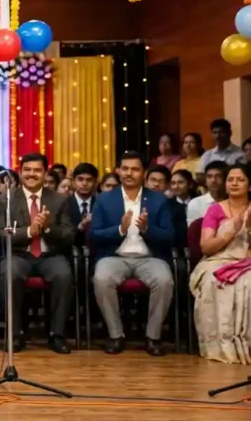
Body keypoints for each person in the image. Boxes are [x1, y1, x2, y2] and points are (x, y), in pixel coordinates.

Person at [90, 152, 175, 356]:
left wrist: (147, 229)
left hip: (149, 257)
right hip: (114, 257)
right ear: (118, 171)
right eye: (125, 168)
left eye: (135, 169)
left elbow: (170, 236)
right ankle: (116, 335)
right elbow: (94, 234)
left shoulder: (158, 200)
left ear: (143, 173)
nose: (129, 173)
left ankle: (153, 337)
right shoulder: (104, 199)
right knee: (101, 278)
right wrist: (120, 229)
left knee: (164, 280)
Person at [0, 153, 75, 354]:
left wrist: (46, 228)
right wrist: (30, 231)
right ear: (20, 172)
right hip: (19, 255)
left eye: (37, 170)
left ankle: (57, 335)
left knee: (63, 274)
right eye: (27, 170)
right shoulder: (6, 200)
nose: (31, 174)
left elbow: (69, 235)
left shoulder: (59, 200)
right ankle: (16, 334)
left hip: (50, 255)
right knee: (9, 273)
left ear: (45, 173)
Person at [190, 164, 251, 364]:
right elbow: (206, 247)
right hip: (218, 259)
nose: (234, 183)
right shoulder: (215, 210)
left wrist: (249, 230)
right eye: (230, 179)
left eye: (240, 179)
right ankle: (221, 345)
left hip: (248, 261)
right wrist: (230, 232)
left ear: (249, 185)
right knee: (214, 282)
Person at [187, 161, 229, 227]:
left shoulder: (234, 202)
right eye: (209, 176)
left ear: (226, 179)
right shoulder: (195, 203)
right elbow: (194, 232)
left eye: (218, 176)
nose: (213, 180)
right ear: (205, 181)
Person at [69, 163, 99, 247]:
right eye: (80, 179)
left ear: (95, 183)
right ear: (73, 181)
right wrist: (80, 227)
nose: (84, 183)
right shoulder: (63, 203)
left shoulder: (101, 203)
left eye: (89, 180)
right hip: (70, 251)